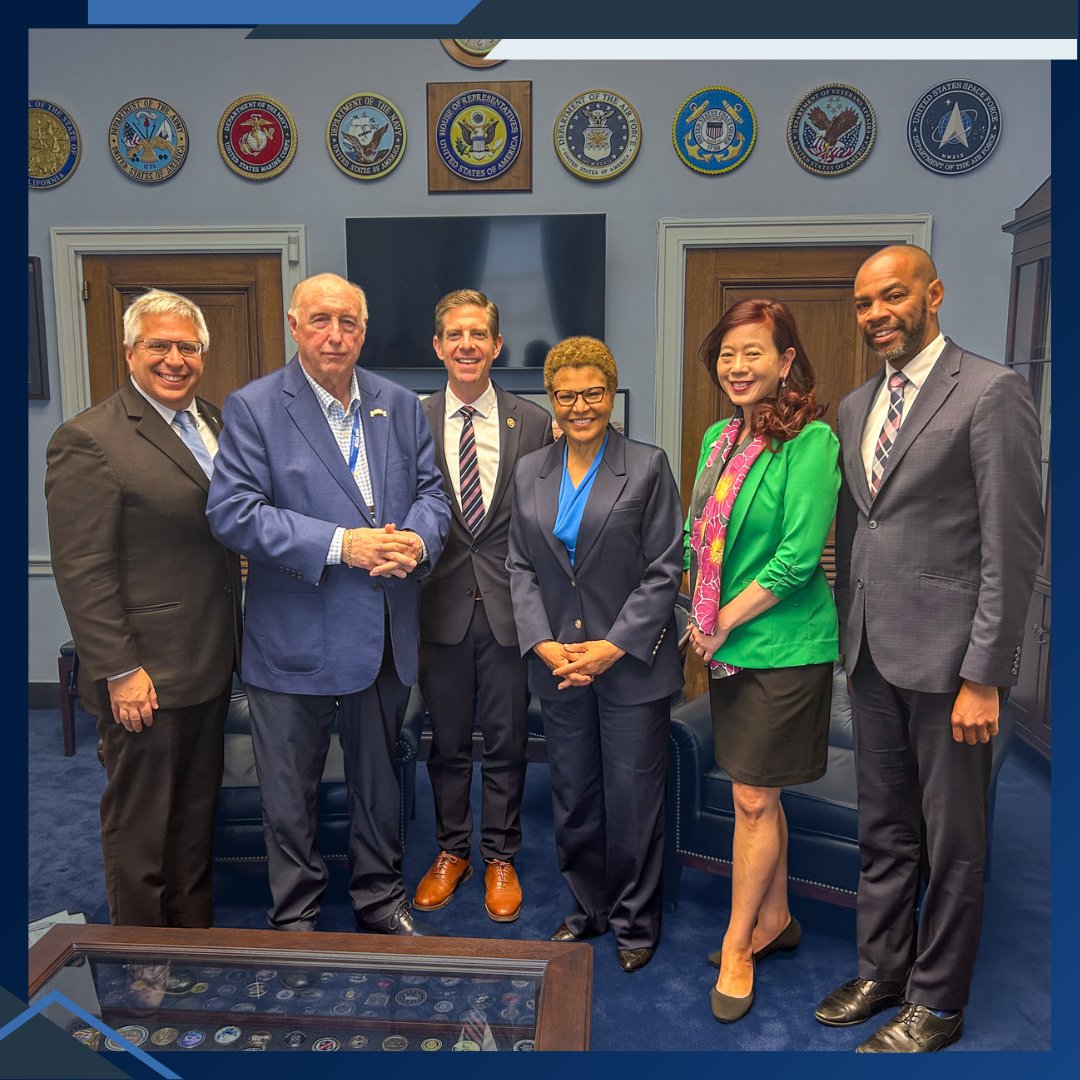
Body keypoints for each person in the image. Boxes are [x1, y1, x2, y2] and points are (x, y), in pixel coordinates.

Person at [815, 245, 1043, 1051]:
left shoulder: (991, 392)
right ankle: (885, 970)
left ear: (934, 295)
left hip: (953, 670)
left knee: (953, 844)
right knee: (885, 829)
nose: (876, 313)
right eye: (863, 302)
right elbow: (859, 531)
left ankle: (938, 1003)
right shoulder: (853, 407)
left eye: (893, 296)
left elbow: (1013, 546)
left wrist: (986, 675)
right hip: (872, 655)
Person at [205, 272, 451, 936]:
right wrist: (346, 545)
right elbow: (233, 515)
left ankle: (378, 897)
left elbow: (433, 496)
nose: (334, 334)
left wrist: (417, 544)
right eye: (319, 320)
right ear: (294, 326)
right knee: (289, 794)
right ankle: (296, 914)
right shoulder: (255, 408)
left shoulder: (400, 404)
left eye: (348, 322)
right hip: (293, 641)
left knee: (380, 787)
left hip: (383, 636)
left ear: (364, 331)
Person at [45, 288, 242, 927]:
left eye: (188, 347)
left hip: (209, 659)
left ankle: (192, 940)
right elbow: (83, 569)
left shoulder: (213, 421)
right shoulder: (89, 439)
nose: (175, 359)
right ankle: (141, 956)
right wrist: (120, 669)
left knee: (192, 815)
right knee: (142, 824)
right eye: (159, 345)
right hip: (145, 673)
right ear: (130, 351)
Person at [684, 298, 840, 1023]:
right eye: (726, 355)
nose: (737, 367)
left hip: (782, 646)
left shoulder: (812, 442)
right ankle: (775, 918)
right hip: (726, 646)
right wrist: (698, 613)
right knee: (761, 794)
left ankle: (740, 942)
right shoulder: (718, 436)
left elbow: (797, 559)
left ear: (786, 362)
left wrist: (716, 621)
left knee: (751, 797)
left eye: (754, 353)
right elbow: (701, 536)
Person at [506, 336, 683, 973]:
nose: (580, 405)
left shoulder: (647, 465)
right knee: (575, 793)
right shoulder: (530, 470)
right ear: (550, 401)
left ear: (611, 395)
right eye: (565, 395)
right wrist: (544, 642)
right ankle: (589, 907)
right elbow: (518, 565)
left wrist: (613, 646)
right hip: (559, 665)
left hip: (629, 663)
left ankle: (636, 919)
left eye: (593, 393)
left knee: (635, 798)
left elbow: (666, 570)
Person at [413, 290, 553, 922]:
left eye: (479, 334)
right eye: (454, 335)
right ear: (438, 346)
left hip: (508, 609)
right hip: (437, 608)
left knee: (507, 739)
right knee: (445, 744)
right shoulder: (409, 418)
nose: (466, 344)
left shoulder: (535, 422)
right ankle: (451, 851)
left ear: (497, 345)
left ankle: (500, 855)